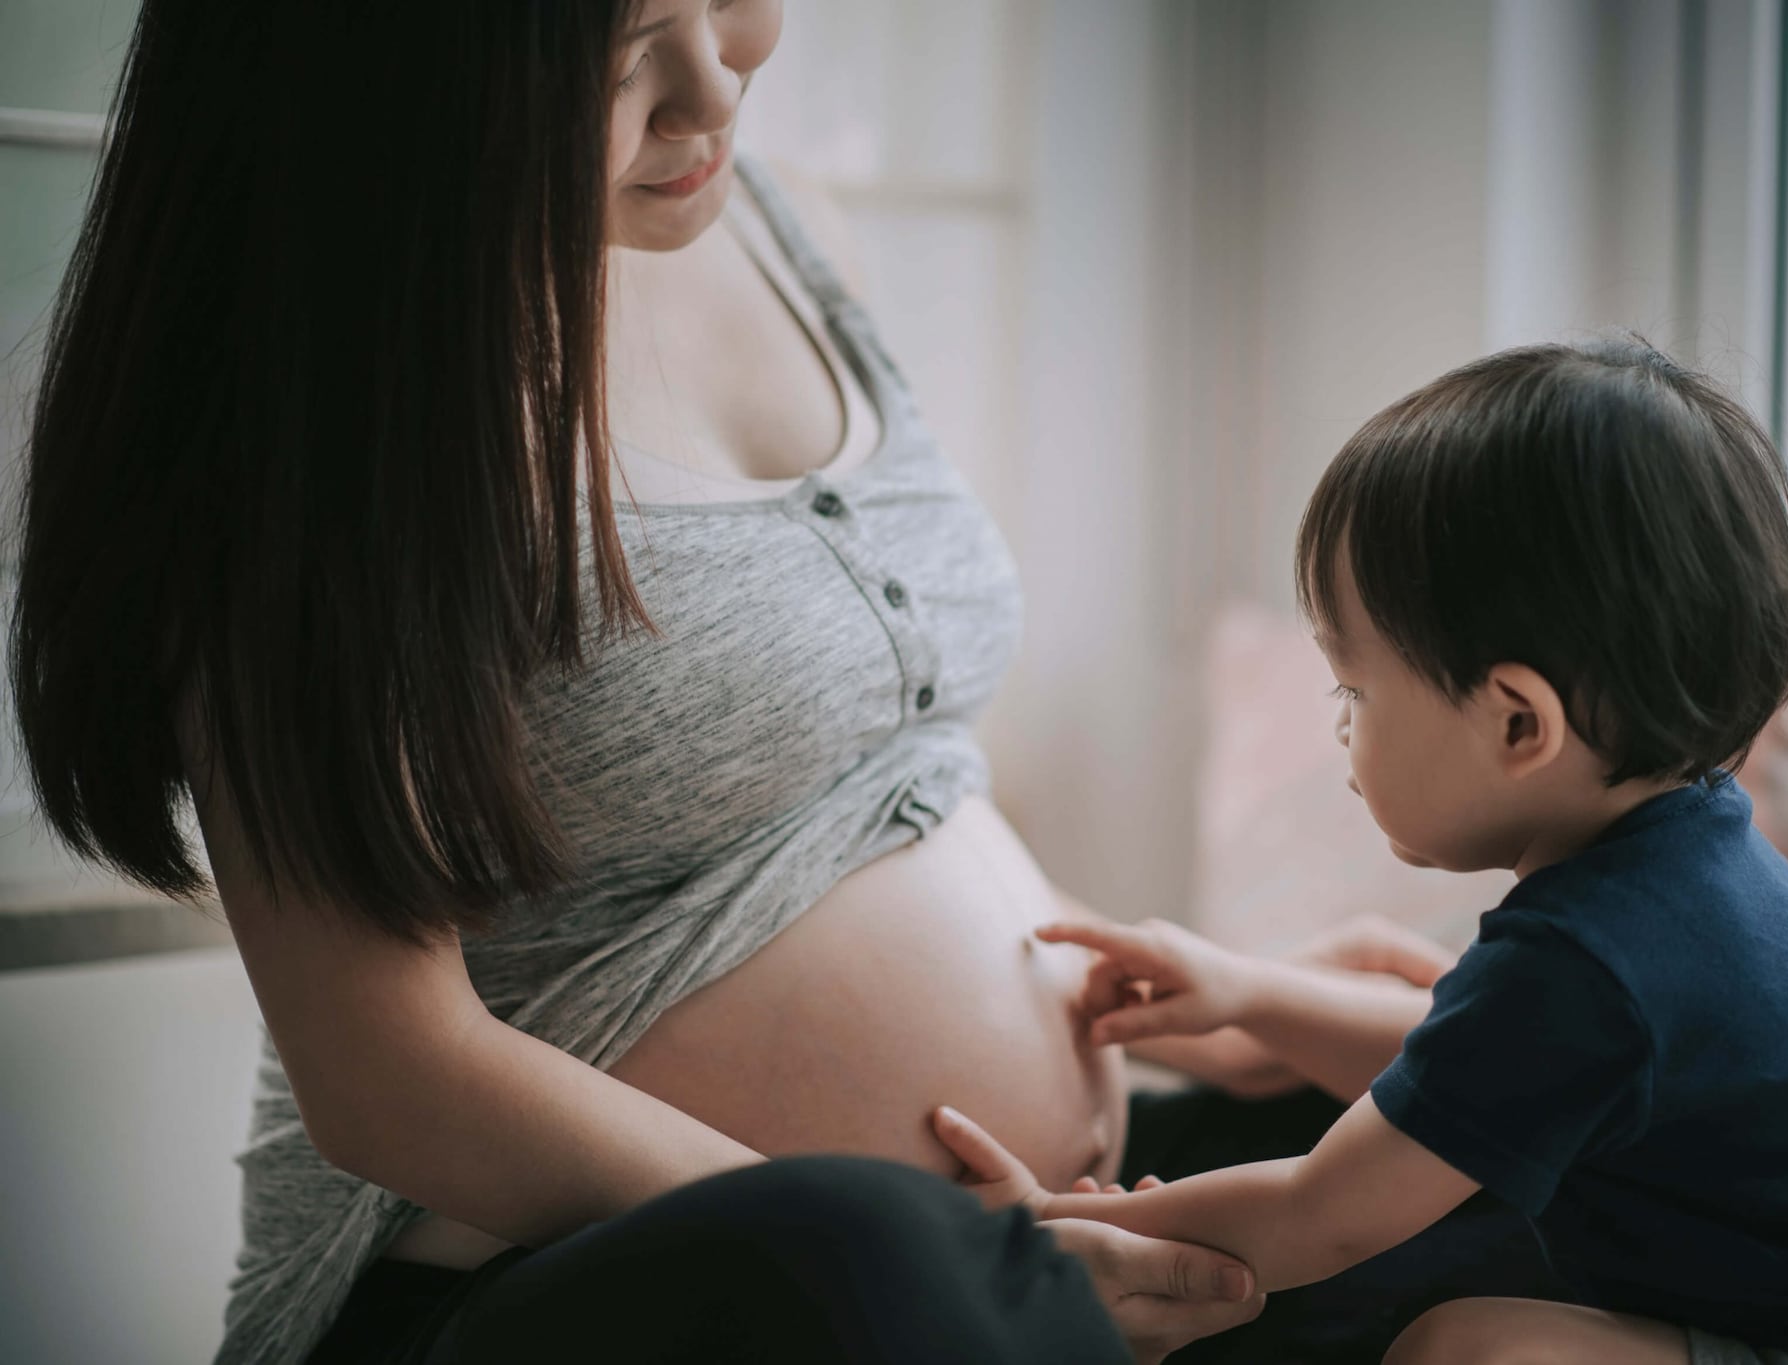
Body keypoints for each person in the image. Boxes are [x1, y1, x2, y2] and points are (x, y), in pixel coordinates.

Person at [9, 3, 1555, 1362]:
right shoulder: (317, 410)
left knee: (1460, 1122)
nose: (714, 91)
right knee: (871, 1261)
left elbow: (869, 789)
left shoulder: (769, 221)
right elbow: (388, 1076)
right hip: (575, 1291)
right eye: (619, 59)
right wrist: (961, 1256)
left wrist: (1193, 1007)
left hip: (1014, 1229)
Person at [933, 340, 1788, 1365]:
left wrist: (1054, 1238)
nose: (1339, 725)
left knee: (1469, 1348)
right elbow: (1466, 1067)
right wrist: (1248, 994)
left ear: (1518, 724)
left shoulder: (1598, 949)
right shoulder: (1679, 861)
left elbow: (1317, 1215)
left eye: (1353, 687)